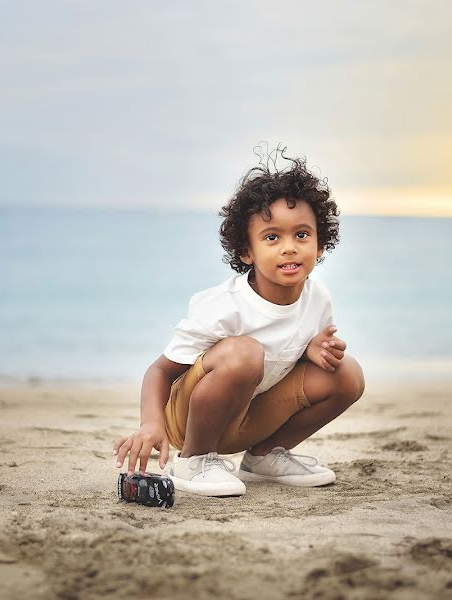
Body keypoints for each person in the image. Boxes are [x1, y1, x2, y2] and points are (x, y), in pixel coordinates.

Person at [112, 150, 365, 497]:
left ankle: (264, 456)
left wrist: (312, 350)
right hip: (190, 421)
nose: (289, 248)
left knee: (346, 373)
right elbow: (160, 371)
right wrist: (151, 424)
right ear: (247, 251)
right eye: (272, 237)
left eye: (302, 235)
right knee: (244, 353)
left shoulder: (317, 298)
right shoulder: (225, 307)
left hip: (251, 416)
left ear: (320, 243)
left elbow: (287, 354)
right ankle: (194, 461)